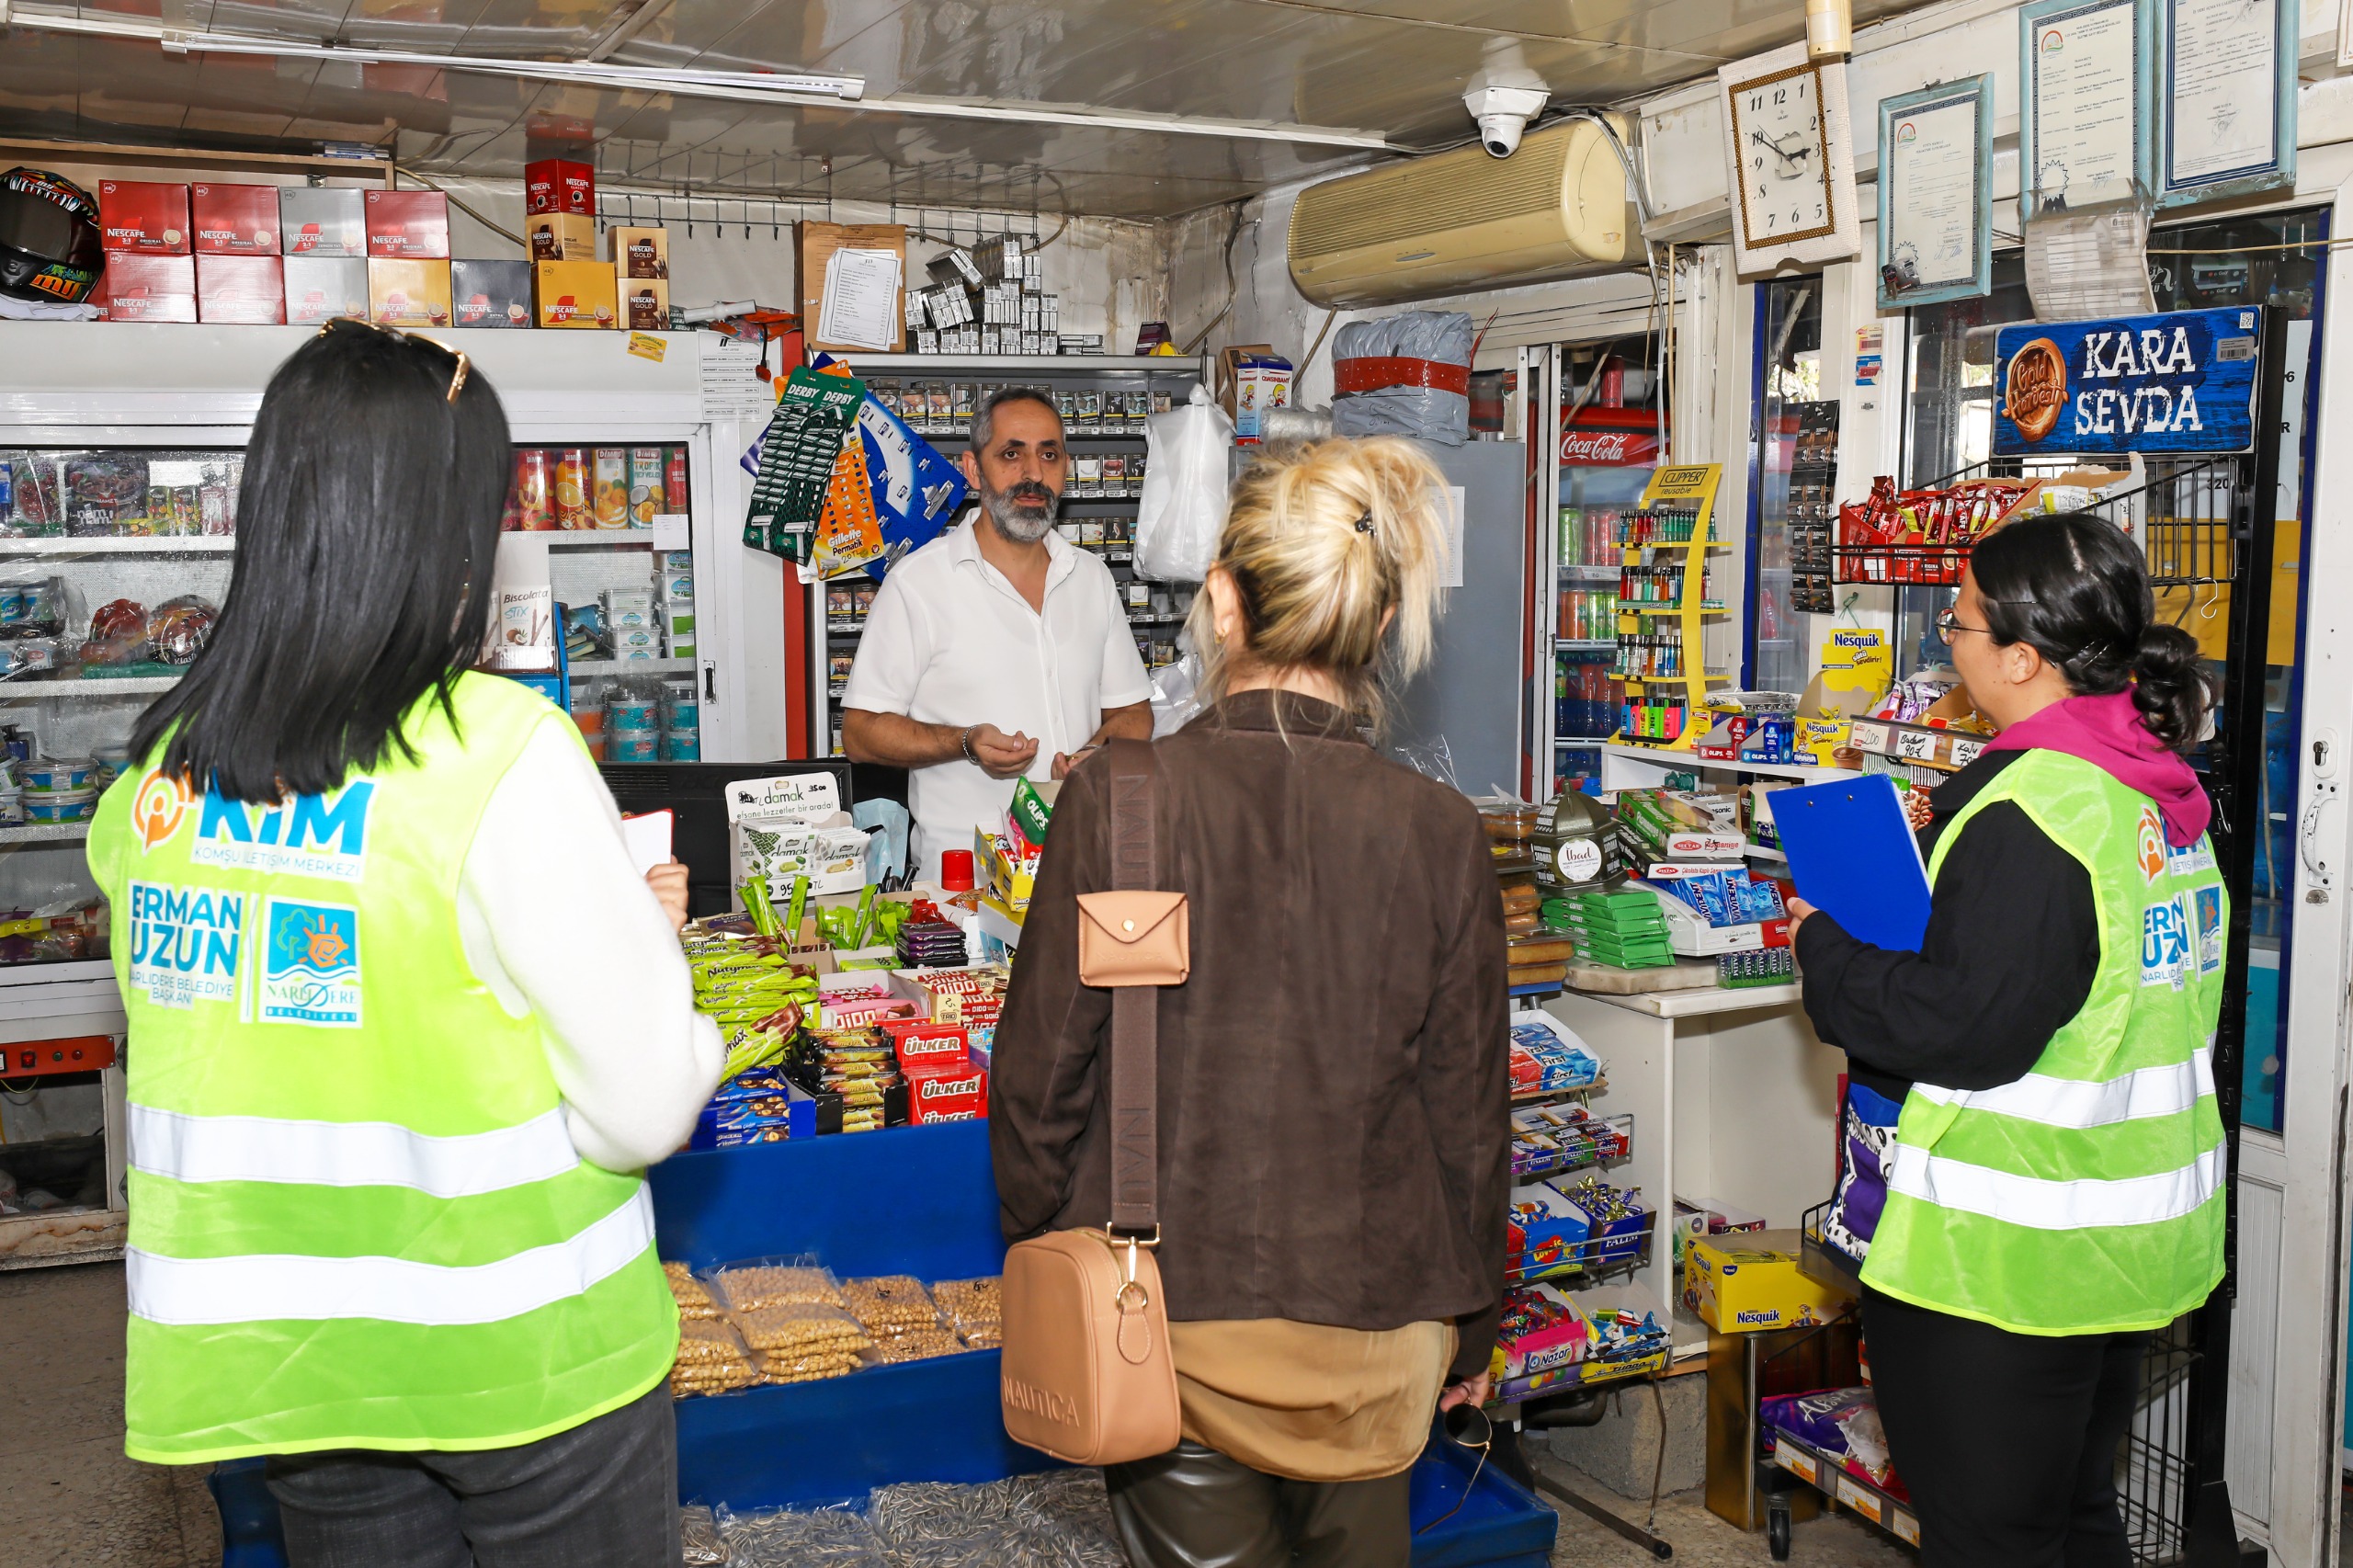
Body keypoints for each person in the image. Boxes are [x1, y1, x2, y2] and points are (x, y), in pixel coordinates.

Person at [85, 320, 724, 1567]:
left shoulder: (158, 775)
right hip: (523, 1349)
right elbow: (641, 1108)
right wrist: (655, 957)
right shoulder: (497, 749)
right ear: (439, 525)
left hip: (296, 1358)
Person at [991, 437, 1508, 1568]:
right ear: (1376, 628)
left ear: (1220, 604)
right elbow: (1466, 1118)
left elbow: (1037, 1087)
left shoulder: (1120, 800)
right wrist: (1474, 1322)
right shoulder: (1440, 833)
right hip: (1381, 1334)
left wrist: (1043, 1245)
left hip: (1171, 1319)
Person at [1788, 512, 2225, 1568]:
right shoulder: (2156, 791)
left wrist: (1825, 951)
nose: (1949, 636)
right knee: (2072, 1521)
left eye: (1962, 620)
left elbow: (1965, 1028)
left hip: (2004, 1265)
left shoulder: (2033, 811)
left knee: (1993, 1540)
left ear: (2022, 656)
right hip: (2121, 1243)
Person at [841, 387, 1153, 882]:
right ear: (972, 469)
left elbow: (1133, 712)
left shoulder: (1090, 577)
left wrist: (1093, 755)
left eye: (1048, 454)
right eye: (1012, 454)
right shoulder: (918, 584)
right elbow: (859, 733)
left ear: (1066, 467)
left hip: (1082, 868)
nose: (1033, 473)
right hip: (962, 891)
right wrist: (964, 742)